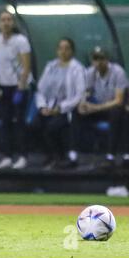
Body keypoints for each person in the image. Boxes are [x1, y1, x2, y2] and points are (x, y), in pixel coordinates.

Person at [32, 38, 86, 169]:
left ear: (72, 51)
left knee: (52, 127)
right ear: (57, 50)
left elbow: (80, 94)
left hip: (66, 109)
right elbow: (40, 90)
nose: (63, 51)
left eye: (67, 48)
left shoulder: (77, 69)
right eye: (61, 48)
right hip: (49, 107)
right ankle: (49, 155)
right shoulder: (51, 66)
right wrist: (42, 106)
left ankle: (59, 157)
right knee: (35, 124)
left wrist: (60, 108)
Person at [0, 11, 31, 170]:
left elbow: (26, 66)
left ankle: (23, 156)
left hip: (19, 87)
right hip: (3, 87)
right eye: (3, 20)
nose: (6, 23)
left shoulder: (21, 41)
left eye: (9, 20)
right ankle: (7, 156)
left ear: (13, 23)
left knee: (19, 122)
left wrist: (21, 87)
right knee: (5, 122)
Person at [78, 47, 129, 168]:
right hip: (102, 106)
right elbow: (85, 92)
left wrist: (95, 108)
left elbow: (119, 100)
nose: (99, 62)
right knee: (78, 112)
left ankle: (110, 156)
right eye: (95, 58)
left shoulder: (118, 72)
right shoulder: (90, 72)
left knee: (115, 112)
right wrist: (82, 103)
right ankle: (75, 154)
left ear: (107, 60)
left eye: (102, 58)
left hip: (120, 109)